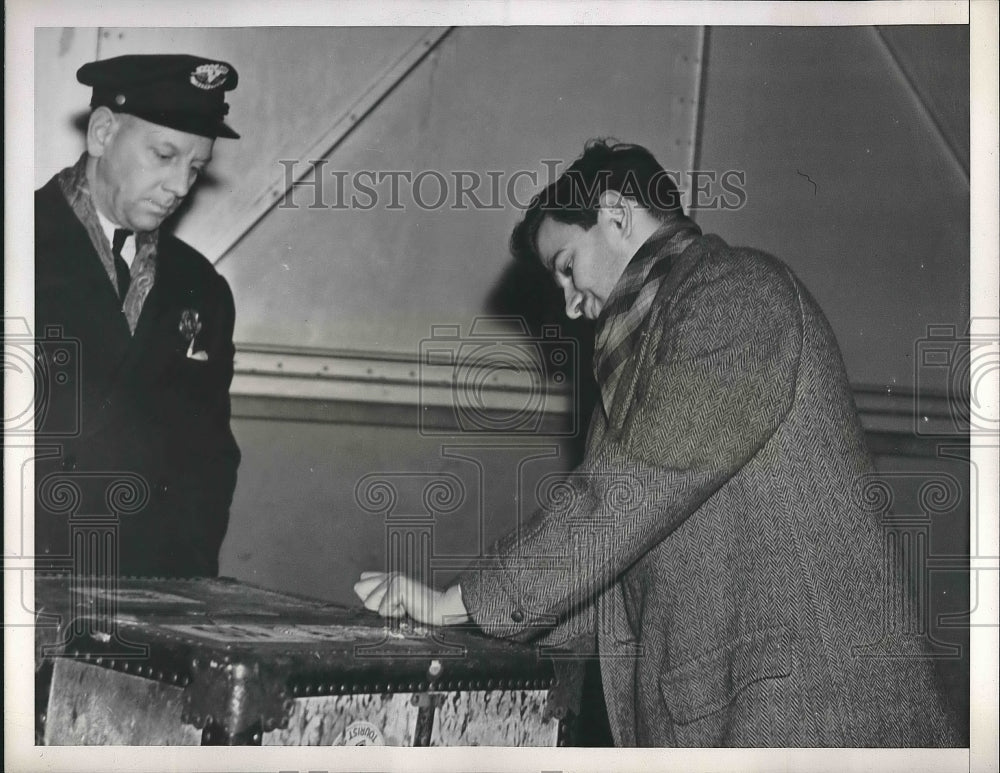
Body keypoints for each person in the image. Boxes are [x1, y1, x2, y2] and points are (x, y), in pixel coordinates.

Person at [354, 140, 963, 746]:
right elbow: (609, 574)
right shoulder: (649, 353)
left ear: (616, 214)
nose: (569, 308)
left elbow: (627, 493)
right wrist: (464, 626)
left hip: (821, 721)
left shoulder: (738, 295)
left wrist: (459, 602)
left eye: (567, 267)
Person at [34, 54, 242, 577]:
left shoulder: (203, 287)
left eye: (195, 168)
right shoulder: (17, 244)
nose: (180, 185)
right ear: (102, 133)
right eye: (164, 155)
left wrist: (187, 584)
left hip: (147, 591)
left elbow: (209, 459)